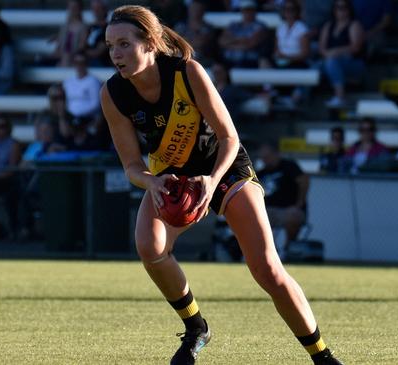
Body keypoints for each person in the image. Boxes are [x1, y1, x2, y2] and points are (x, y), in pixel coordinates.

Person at [101, 5, 343, 365]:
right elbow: (131, 166)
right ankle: (196, 326)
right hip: (172, 175)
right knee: (149, 247)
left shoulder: (187, 72)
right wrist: (151, 182)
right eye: (110, 46)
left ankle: (322, 356)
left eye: (124, 44)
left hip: (223, 169)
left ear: (150, 43)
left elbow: (230, 137)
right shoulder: (113, 94)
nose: (115, 54)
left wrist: (212, 182)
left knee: (267, 269)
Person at [256, 140, 309, 246]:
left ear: (276, 154)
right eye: (262, 158)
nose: (264, 160)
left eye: (267, 157)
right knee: (254, 218)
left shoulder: (289, 166)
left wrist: (300, 203)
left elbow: (304, 181)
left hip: (288, 209)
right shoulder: (261, 173)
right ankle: (267, 249)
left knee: (293, 216)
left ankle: (289, 246)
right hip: (268, 210)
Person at [318, 0, 365, 108]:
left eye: (344, 7)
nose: (341, 11)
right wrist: (328, 54)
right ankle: (296, 97)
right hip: (330, 60)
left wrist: (337, 52)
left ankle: (340, 97)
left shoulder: (354, 25)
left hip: (353, 62)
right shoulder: (328, 25)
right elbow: (321, 48)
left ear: (349, 10)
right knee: (313, 67)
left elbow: (356, 47)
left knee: (332, 62)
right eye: (337, 7)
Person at [218, 0, 271, 68]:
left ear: (255, 11)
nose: (248, 12)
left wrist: (231, 43)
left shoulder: (260, 26)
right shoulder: (234, 25)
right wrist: (241, 40)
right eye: (246, 10)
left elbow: (250, 44)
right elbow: (221, 41)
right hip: (228, 61)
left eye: (250, 10)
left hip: (249, 61)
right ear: (242, 11)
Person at [173, 0, 217, 67]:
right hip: (182, 56)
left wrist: (186, 41)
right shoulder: (180, 26)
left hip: (201, 59)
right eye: (193, 9)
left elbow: (201, 43)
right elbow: (175, 43)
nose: (195, 12)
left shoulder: (208, 27)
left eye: (198, 9)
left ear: (202, 11)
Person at [62, 51, 102, 119]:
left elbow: (96, 104)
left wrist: (79, 114)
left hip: (88, 118)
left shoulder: (94, 81)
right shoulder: (68, 82)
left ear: (87, 63)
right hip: (70, 118)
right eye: (76, 62)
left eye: (82, 63)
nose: (79, 65)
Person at [50, 0, 88, 67]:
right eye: (71, 8)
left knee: (67, 57)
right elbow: (59, 47)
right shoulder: (64, 27)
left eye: (75, 7)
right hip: (62, 58)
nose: (73, 10)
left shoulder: (83, 27)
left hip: (73, 59)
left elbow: (81, 47)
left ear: (80, 9)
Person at [83, 0, 111, 66]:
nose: (96, 12)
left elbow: (98, 52)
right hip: (87, 61)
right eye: (94, 9)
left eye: (99, 8)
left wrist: (83, 53)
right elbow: (81, 45)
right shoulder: (89, 28)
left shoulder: (109, 29)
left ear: (105, 9)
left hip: (100, 63)